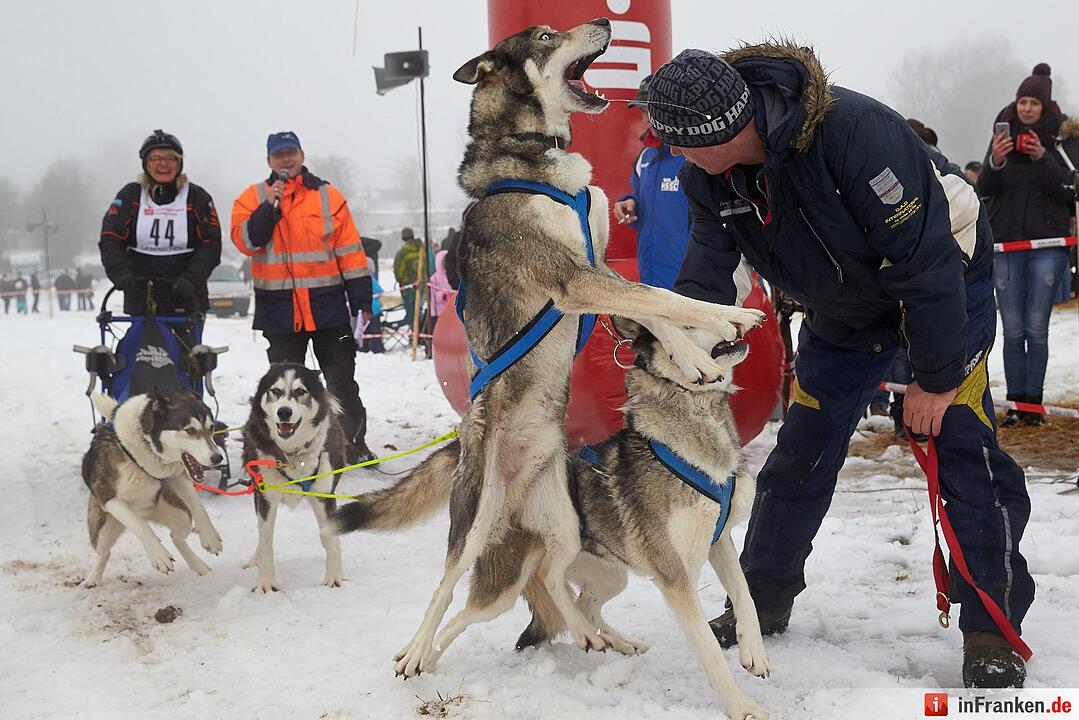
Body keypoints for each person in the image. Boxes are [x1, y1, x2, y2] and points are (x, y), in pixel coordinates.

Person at [648, 46, 1033, 688]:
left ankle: (990, 626)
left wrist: (934, 381)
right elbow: (710, 278)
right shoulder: (707, 179)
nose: (675, 157)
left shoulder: (852, 134)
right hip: (844, 308)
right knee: (802, 447)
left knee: (960, 445)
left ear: (716, 133)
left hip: (942, 280)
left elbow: (926, 260)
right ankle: (761, 598)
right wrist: (672, 345)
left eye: (679, 144)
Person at [231, 131, 375, 463]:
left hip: (328, 309)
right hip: (278, 313)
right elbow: (247, 242)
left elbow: (351, 253)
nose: (286, 160)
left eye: (291, 153)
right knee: (284, 389)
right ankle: (289, 449)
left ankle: (352, 444)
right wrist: (269, 207)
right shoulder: (251, 198)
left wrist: (363, 301)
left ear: (302, 155)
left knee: (341, 383)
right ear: (269, 161)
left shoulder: (328, 196)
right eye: (279, 155)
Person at [977, 64, 1079, 427]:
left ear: (1045, 105)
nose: (1027, 108)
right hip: (1006, 246)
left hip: (1047, 248)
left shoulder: (1059, 142)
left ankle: (1033, 404)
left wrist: (1042, 157)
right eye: (1023, 101)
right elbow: (984, 190)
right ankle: (1016, 403)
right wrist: (996, 160)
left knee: (1037, 327)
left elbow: (1068, 190)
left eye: (1034, 102)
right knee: (1013, 328)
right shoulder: (1001, 134)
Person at [100, 129, 221, 318]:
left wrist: (191, 278)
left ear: (179, 163)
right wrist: (120, 274)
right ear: (146, 164)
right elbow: (110, 238)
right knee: (141, 347)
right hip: (140, 292)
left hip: (186, 294)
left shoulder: (197, 197)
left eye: (170, 158)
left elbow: (211, 244)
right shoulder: (130, 195)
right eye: (156, 158)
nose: (163, 164)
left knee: (184, 347)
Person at [612, 75, 692, 289]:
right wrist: (630, 204)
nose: (645, 118)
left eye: (650, 110)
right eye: (642, 111)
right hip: (651, 281)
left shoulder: (694, 157)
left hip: (687, 285)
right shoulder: (645, 157)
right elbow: (640, 196)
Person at [393, 227, 425, 333]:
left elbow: (399, 272)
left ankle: (414, 334)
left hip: (408, 288)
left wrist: (402, 282)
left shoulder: (402, 253)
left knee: (411, 313)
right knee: (419, 310)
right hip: (423, 287)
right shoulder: (423, 249)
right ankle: (419, 333)